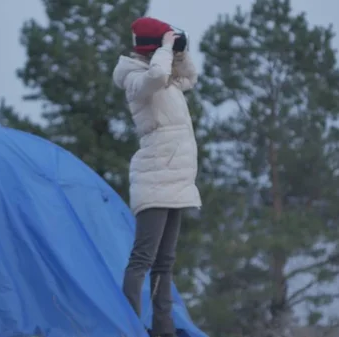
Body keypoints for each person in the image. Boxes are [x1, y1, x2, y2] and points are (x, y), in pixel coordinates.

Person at [112, 16, 202, 337]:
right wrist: (165, 49)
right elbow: (157, 75)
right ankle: (129, 328)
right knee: (142, 260)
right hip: (154, 175)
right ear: (151, 49)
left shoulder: (165, 76)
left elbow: (189, 77)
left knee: (165, 262)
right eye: (163, 45)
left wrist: (179, 51)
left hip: (176, 178)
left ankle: (163, 331)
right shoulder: (135, 79)